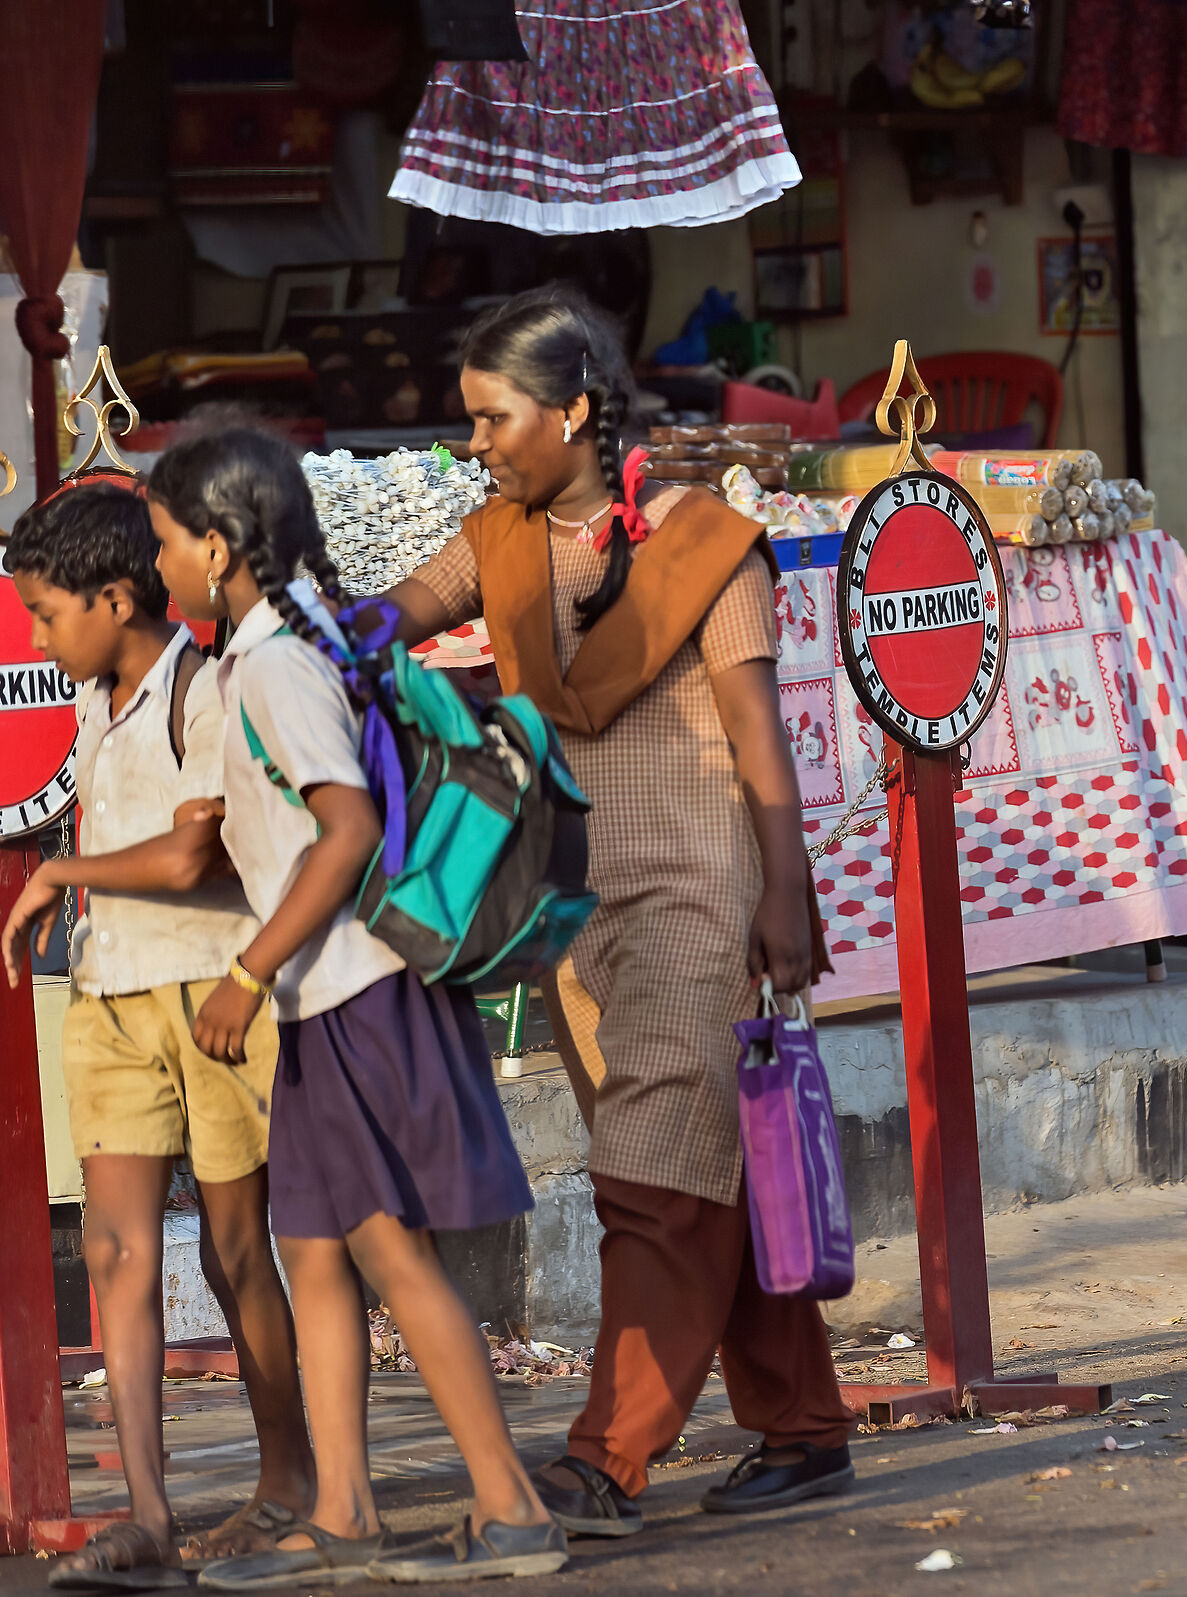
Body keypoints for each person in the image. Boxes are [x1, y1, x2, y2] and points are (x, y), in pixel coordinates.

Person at [384, 286, 852, 1537]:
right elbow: (400, 612)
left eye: (491, 418)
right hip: (573, 908)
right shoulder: (498, 537)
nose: (473, 444)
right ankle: (804, 1428)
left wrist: (788, 896)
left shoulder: (710, 539)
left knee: (652, 1177)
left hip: (702, 894)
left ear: (575, 411)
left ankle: (606, 1460)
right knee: (701, 1161)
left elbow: (762, 736)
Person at [139, 429, 566, 1588]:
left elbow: (349, 828)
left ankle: (512, 1507)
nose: (159, 563)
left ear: (219, 547)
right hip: (328, 989)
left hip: (350, 986)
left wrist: (243, 971)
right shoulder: (299, 636)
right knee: (315, 1247)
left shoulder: (274, 661)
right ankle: (342, 1511)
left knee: (386, 1247)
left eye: (168, 541)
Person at [1, 479, 314, 1590]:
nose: (37, 634)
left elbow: (198, 857)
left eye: (48, 612)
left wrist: (61, 874)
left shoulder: (208, 689)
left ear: (119, 597)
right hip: (111, 991)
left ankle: (288, 1481)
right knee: (115, 1252)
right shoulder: (91, 698)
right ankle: (145, 1515)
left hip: (214, 994)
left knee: (239, 1255)